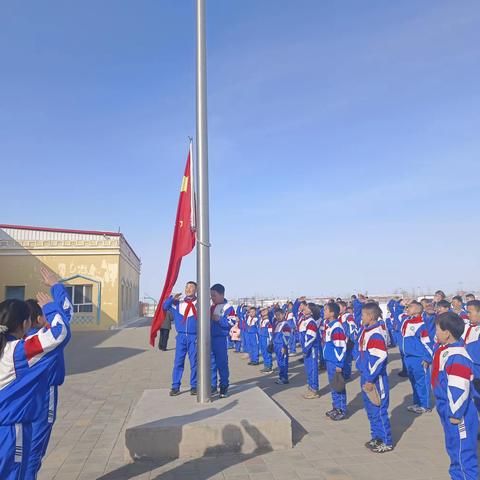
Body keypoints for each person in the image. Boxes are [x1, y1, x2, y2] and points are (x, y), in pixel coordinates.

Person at [0, 290, 71, 479]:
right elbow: (60, 333)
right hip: (10, 430)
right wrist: (51, 306)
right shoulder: (17, 352)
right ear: (25, 324)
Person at [25, 268, 74, 480]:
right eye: (45, 312)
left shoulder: (13, 343)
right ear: (36, 320)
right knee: (32, 453)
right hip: (43, 397)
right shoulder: (43, 342)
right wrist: (56, 288)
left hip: (19, 403)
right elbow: (65, 319)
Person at [432, 312, 478, 480]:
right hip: (447, 408)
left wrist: (456, 413)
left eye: (437, 329)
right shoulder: (446, 350)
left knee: (463, 455)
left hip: (459, 414)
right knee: (454, 451)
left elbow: (459, 387)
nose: (435, 333)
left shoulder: (457, 355)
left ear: (447, 333)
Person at [356, 302, 393, 453]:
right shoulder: (367, 330)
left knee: (379, 409)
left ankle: (386, 441)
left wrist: (370, 378)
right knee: (371, 410)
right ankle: (376, 436)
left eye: (363, 314)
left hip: (375, 378)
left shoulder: (376, 333)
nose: (361, 317)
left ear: (370, 316)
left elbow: (378, 358)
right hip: (366, 375)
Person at [163, 281, 198, 396]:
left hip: (194, 337)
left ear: (196, 290)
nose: (188, 289)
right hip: (181, 337)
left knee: (194, 363)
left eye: (191, 287)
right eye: (186, 287)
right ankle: (175, 386)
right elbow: (164, 306)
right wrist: (172, 297)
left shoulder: (200, 303)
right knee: (178, 362)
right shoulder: (178, 303)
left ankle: (194, 386)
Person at [400, 301, 433, 414]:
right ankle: (417, 403)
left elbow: (427, 343)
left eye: (410, 307)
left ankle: (425, 405)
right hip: (408, 358)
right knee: (413, 382)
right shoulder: (406, 322)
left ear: (418, 310)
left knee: (422, 382)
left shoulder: (422, 325)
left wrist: (428, 358)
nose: (407, 308)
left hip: (419, 358)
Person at [210, 284, 236, 398]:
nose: (212, 298)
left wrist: (219, 319)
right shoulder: (211, 306)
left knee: (222, 364)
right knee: (211, 364)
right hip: (209, 338)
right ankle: (212, 386)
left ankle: (224, 386)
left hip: (220, 338)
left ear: (222, 294)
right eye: (211, 295)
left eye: (214, 295)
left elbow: (232, 322)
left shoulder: (228, 307)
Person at [323, 302, 348, 419]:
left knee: (339, 385)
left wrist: (339, 364)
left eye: (326, 310)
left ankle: (341, 409)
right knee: (333, 385)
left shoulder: (337, 327)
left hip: (335, 362)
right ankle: (335, 406)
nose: (324, 312)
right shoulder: (330, 325)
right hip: (330, 360)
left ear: (332, 313)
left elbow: (341, 347)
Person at [299, 302, 320, 399]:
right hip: (306, 349)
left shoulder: (311, 322)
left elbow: (310, 337)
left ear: (311, 311)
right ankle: (310, 387)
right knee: (308, 370)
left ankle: (314, 390)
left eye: (306, 308)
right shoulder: (304, 320)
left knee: (312, 369)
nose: (304, 309)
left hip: (310, 350)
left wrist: (305, 349)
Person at [464, 300, 480, 413]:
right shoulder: (466, 326)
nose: (467, 315)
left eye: (470, 312)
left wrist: (462, 350)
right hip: (471, 367)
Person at [338, 301, 357, 380]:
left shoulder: (348, 316)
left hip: (347, 341)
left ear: (344, 307)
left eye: (339, 307)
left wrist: (349, 337)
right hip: (340, 341)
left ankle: (346, 375)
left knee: (347, 359)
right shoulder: (339, 316)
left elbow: (352, 327)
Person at [272, 307, 291, 385]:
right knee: (279, 363)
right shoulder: (276, 323)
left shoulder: (285, 324)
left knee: (283, 363)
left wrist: (284, 346)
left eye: (279, 315)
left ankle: (284, 378)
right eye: (276, 315)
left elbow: (287, 337)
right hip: (276, 345)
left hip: (282, 346)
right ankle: (281, 377)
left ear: (283, 315)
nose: (277, 316)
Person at [259, 307, 273, 373]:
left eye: (264, 311)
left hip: (266, 337)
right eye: (262, 311)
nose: (263, 312)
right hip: (261, 337)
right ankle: (266, 365)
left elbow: (270, 331)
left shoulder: (269, 320)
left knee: (267, 351)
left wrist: (270, 340)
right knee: (263, 352)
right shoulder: (261, 319)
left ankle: (269, 367)